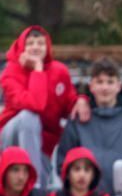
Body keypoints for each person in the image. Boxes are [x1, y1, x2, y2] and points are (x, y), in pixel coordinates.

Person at [0, 26, 90, 187]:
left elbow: (69, 102)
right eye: (30, 43)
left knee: (46, 191)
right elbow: (35, 104)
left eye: (40, 43)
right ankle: (33, 185)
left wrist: (81, 100)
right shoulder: (10, 73)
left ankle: (40, 189)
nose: (35, 47)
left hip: (43, 145)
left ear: (47, 47)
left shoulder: (59, 71)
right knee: (29, 117)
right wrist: (38, 69)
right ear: (22, 47)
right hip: (11, 138)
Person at [58, 57, 122, 194]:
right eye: (100, 82)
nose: (105, 87)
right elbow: (63, 163)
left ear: (119, 86)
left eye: (110, 82)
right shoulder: (77, 121)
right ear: (91, 86)